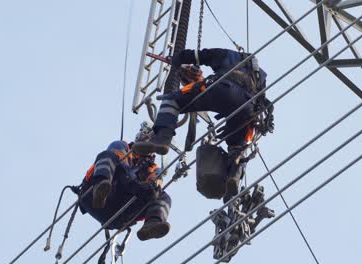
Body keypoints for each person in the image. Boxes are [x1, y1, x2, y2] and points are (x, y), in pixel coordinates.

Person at [133, 48, 273, 200]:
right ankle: (234, 174)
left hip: (223, 89)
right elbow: (260, 102)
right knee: (238, 145)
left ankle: (162, 138)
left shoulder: (229, 55)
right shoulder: (260, 76)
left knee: (172, 100)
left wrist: (178, 58)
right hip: (247, 107)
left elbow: (200, 56)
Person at [78, 125, 171, 241]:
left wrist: (149, 188)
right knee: (110, 157)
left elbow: (154, 189)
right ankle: (100, 186)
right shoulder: (122, 146)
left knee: (162, 196)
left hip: (121, 213)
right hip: (94, 197)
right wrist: (137, 186)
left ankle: (152, 224)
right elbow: (122, 171)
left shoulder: (153, 169)